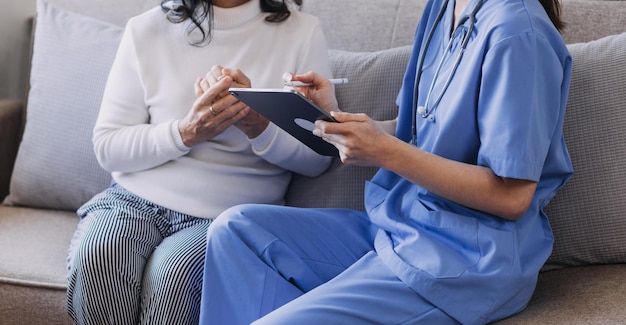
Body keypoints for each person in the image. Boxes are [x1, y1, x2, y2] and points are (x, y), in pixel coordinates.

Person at [198, 0, 574, 323]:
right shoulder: (444, 9)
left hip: (464, 264)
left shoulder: (518, 35)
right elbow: (424, 130)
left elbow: (511, 197)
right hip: (403, 227)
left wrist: (384, 152)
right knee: (237, 229)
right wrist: (339, 117)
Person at [65, 0, 333, 324]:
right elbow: (108, 146)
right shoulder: (146, 29)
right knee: (100, 253)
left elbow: (318, 159)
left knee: (175, 272)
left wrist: (258, 127)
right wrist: (186, 132)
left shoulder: (302, 32)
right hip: (132, 201)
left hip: (226, 216)